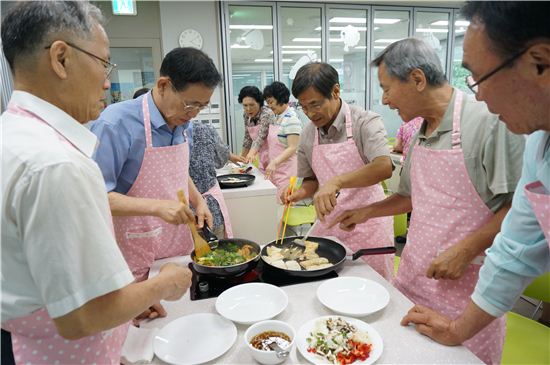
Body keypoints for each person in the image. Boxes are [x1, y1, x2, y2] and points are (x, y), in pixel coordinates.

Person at [0, 2, 191, 364]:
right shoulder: (56, 163)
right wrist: (163, 283)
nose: (107, 80)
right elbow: (81, 317)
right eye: (103, 63)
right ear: (61, 58)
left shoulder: (14, 134)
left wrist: (127, 299)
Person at [331, 37, 526, 364]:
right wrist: (365, 211)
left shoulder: (486, 124)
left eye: (387, 88)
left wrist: (465, 250)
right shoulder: (419, 132)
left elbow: (520, 210)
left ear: (418, 79)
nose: (385, 100)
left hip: (466, 296)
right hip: (412, 278)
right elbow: (409, 197)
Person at [400, 0, 550, 349]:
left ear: (540, 62)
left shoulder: (487, 127)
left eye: (480, 77)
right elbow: (516, 250)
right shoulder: (538, 145)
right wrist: (456, 331)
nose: (478, 93)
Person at [90, 47, 218, 282]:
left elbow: (177, 172)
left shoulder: (182, 122)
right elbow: (95, 197)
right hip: (134, 249)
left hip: (177, 246)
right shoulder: (115, 124)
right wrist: (157, 207)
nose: (194, 114)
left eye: (202, 106)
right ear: (163, 85)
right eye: (190, 105)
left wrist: (198, 199)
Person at [284, 62, 395, 279]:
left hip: (368, 225)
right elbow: (312, 181)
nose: (310, 114)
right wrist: (300, 193)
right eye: (303, 107)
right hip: (330, 226)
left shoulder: (365, 122)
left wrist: (337, 181)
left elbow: (383, 167)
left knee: (372, 290)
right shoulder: (308, 134)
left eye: (315, 105)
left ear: (335, 91)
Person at [185, 120, 240, 238]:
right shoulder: (204, 129)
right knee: (217, 252)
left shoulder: (159, 134)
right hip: (210, 210)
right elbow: (220, 159)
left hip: (180, 214)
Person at [263, 81, 302, 200]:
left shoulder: (292, 119)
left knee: (283, 203)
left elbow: (293, 147)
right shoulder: (277, 117)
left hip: (286, 170)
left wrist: (275, 162)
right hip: (275, 169)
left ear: (280, 98)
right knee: (273, 206)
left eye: (271, 102)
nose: (269, 106)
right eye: (267, 102)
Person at [239, 85, 276, 170]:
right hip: (261, 153)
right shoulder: (246, 115)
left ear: (259, 103)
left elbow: (261, 137)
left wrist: (251, 153)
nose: (248, 109)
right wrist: (241, 160)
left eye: (252, 105)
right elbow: (247, 138)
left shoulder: (266, 113)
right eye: (245, 105)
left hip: (274, 153)